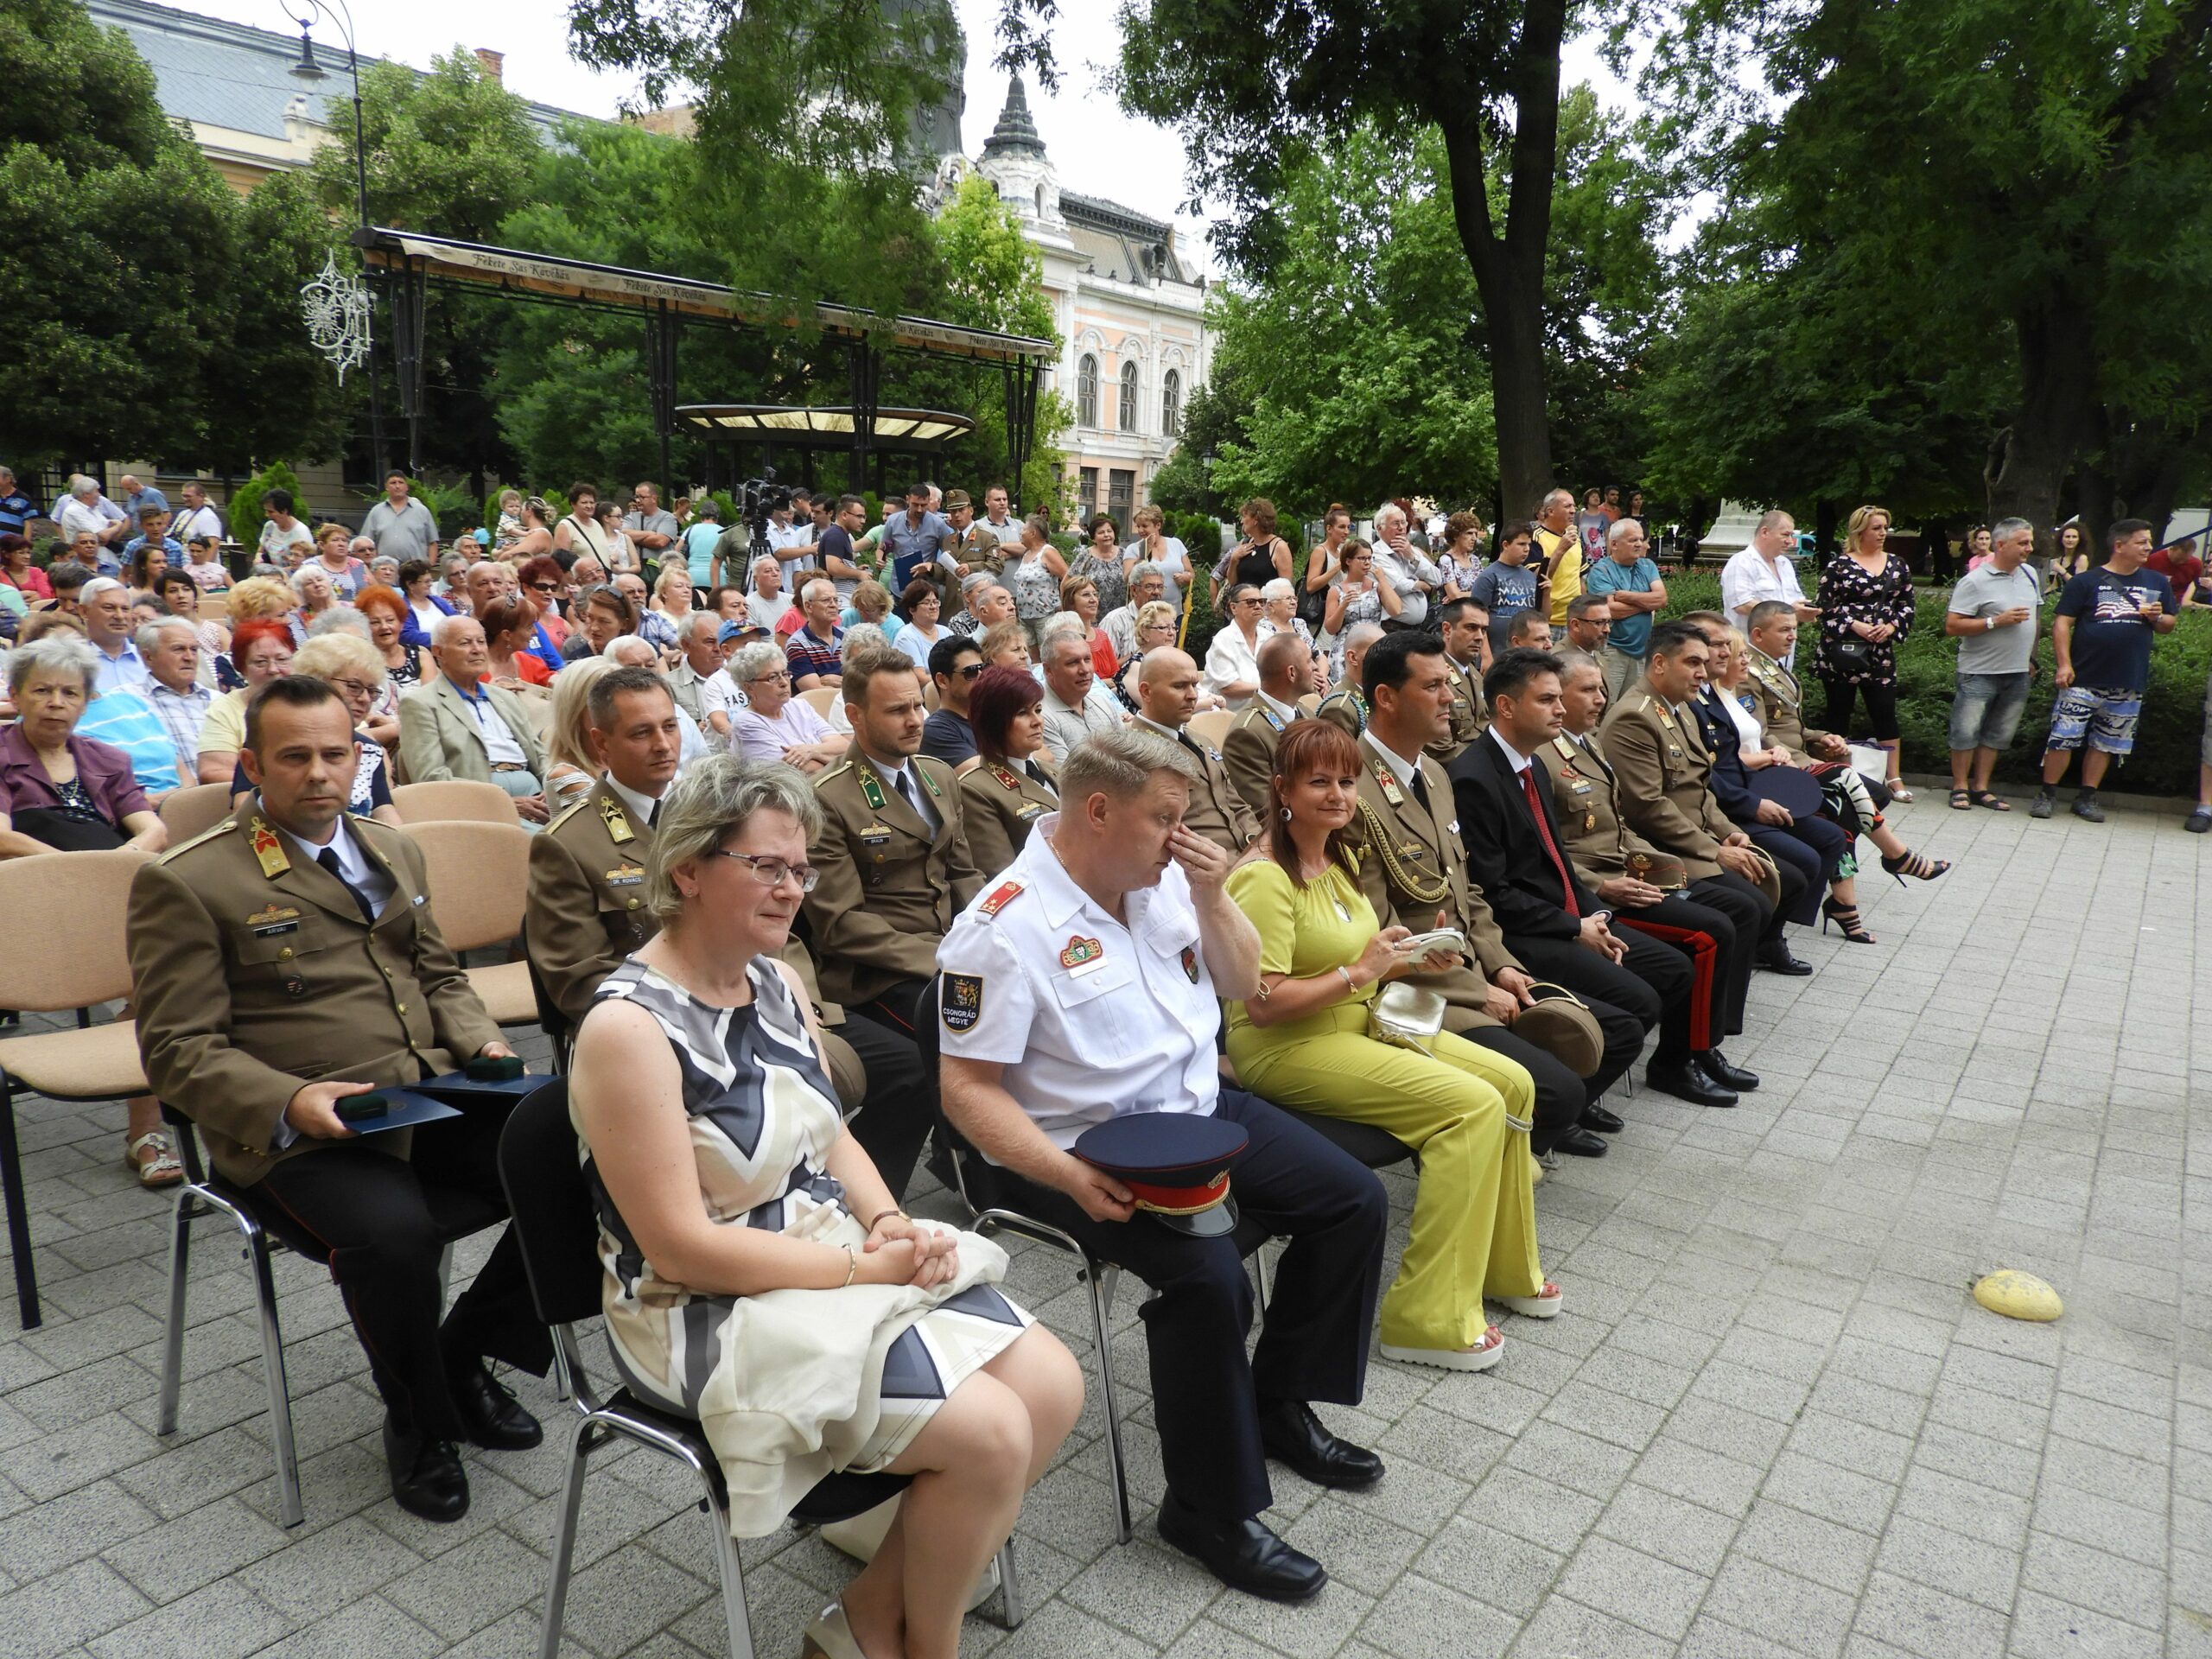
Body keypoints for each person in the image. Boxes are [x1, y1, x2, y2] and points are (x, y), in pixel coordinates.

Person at [569, 756, 1077, 1659]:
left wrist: (887, 1221)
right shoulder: (628, 1029)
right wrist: (865, 1263)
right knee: (994, 1434)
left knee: (1053, 1384)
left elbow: (829, 1132)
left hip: (823, 1255)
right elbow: (682, 1250)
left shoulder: (772, 979)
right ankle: (927, 1643)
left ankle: (870, 1619)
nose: (791, 888)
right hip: (702, 1308)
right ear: (688, 869)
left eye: (799, 869)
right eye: (766, 866)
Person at [938, 727, 1388, 1599]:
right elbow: (967, 1092)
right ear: (1098, 811)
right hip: (1081, 1149)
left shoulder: (1165, 883)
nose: (1184, 837)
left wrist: (1216, 898)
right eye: (1167, 819)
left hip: (1198, 1113)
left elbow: (1240, 983)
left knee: (1353, 1200)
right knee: (1208, 1278)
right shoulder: (1002, 927)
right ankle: (1205, 1508)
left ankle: (1276, 1403)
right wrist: (1067, 1176)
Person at [130, 675, 545, 1519]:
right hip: (296, 1133)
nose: (319, 773)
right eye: (294, 757)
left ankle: (460, 1353)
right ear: (251, 764)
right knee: (395, 1237)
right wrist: (290, 1101)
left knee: (579, 1149)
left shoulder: (391, 848)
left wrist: (484, 1042)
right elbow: (176, 1050)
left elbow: (438, 975)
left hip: (421, 1092)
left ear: (359, 756)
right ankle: (419, 1420)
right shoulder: (192, 879)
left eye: (335, 753)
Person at [1228, 717, 1556, 1367]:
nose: (1338, 794)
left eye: (1347, 781)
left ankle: (1502, 1266)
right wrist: (1365, 972)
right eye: (1318, 781)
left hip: (1359, 1019)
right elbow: (1262, 1005)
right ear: (1281, 789)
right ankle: (1425, 1317)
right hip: (1288, 1047)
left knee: (1515, 1083)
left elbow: (1367, 958)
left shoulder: (1340, 857)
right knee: (1473, 1106)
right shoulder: (1264, 876)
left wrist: (1412, 959)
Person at [1352, 632, 1623, 1156]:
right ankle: (1477, 1168)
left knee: (1603, 1029)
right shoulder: (1354, 786)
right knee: (1557, 1091)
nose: (1451, 698)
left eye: (1448, 685)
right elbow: (1380, 932)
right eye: (1433, 687)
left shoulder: (1431, 773)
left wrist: (1500, 965)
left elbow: (1466, 888)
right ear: (1386, 698)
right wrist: (1479, 991)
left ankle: (1499, 1161)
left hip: (1473, 967)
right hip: (1417, 989)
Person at [1456, 649, 1751, 1109]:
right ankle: (1565, 1106)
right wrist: (1577, 927)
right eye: (1547, 700)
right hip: (1522, 931)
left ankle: (1639, 1072)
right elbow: (1495, 893)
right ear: (1507, 707)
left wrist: (1594, 915)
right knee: (1640, 1005)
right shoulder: (1475, 777)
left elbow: (1555, 861)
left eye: (1559, 698)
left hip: (1565, 912)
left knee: (1674, 970)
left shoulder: (1528, 762)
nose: (1560, 709)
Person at [1539, 652, 1772, 1081]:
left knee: (1739, 907)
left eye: (1601, 688)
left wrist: (1658, 861)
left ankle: (1703, 1046)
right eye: (1587, 690)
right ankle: (1676, 1061)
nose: (1600, 699)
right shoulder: (1543, 757)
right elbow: (1549, 848)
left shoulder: (1584, 742)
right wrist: (1604, 884)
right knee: (1710, 932)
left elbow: (1618, 822)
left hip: (1631, 870)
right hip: (1597, 888)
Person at [802, 645, 982, 1190]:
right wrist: (945, 959)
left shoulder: (936, 776)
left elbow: (963, 873)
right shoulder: (828, 799)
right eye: (896, 711)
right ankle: (876, 1192)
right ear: (854, 715)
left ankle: (981, 1156)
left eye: (917, 706)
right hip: (879, 970)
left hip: (948, 948)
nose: (914, 721)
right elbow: (841, 923)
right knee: (950, 1038)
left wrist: (990, 938)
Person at [1603, 621, 1811, 972]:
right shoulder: (1634, 717)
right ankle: (1714, 1005)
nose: (1703, 673)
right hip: (1667, 846)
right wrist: (1715, 850)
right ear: (1659, 664)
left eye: (1703, 663)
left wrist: (1726, 829)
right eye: (1692, 663)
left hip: (1700, 835)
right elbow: (1648, 807)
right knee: (1749, 904)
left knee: (1790, 879)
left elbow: (1701, 784)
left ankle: (1737, 971)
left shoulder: (1679, 707)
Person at [2033, 517, 2177, 823]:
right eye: (2142, 542)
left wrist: (2157, 617)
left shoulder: (2156, 582)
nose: (2148, 547)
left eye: (2149, 542)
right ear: (2119, 545)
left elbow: (2168, 625)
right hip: (2083, 676)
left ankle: (2087, 797)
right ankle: (2047, 793)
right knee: (2063, 737)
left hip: (2128, 678)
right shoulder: (2087, 581)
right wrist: (2064, 664)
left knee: (2108, 741)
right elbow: (2062, 623)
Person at [398, 614, 550, 824]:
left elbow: (539, 752)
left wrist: (552, 786)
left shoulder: (505, 697)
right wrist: (500, 802)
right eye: (465, 643)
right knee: (548, 847)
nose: (477, 649)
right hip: (479, 801)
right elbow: (430, 777)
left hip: (536, 792)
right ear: (438, 652)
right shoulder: (420, 703)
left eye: (481, 641)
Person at [1813, 505, 1917, 798]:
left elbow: (1908, 604)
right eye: (1876, 528)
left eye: (1885, 527)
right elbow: (1824, 606)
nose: (1883, 533)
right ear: (1860, 530)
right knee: (1838, 713)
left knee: (1885, 712)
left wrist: (1892, 627)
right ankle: (1832, 773)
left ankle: (1893, 777)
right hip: (1842, 652)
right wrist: (1853, 625)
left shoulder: (1898, 565)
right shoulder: (1839, 566)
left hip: (1879, 654)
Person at [1938, 519, 2042, 810]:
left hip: (2018, 671)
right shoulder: (1974, 581)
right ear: (2000, 544)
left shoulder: (2031, 575)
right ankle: (1959, 786)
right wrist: (1995, 621)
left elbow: (2036, 619)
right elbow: (1952, 625)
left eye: (2030, 542)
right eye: (2023, 543)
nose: (2029, 548)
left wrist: (2032, 658)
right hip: (1979, 670)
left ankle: (1981, 788)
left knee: (1999, 733)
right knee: (1965, 730)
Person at [957, 665, 1058, 877]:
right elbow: (1002, 873)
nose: (1037, 721)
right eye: (1023, 713)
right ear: (993, 721)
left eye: (1038, 710)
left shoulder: (1053, 771)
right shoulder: (976, 789)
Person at [1224, 632, 1316, 818]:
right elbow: (1266, 813)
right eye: (1309, 661)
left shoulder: (1305, 714)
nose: (1315, 667)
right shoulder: (1248, 734)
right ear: (1292, 673)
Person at [197, 618, 296, 780]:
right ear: (242, 668)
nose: (273, 669)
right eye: (260, 662)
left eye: (282, 660)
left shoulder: (310, 700)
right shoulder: (224, 709)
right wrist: (279, 784)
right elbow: (212, 772)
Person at [727, 641, 848, 772]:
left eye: (785, 674)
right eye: (773, 677)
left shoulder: (800, 706)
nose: (784, 682)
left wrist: (811, 751)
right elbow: (806, 771)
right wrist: (828, 755)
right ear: (749, 687)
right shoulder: (747, 723)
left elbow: (845, 747)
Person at [1582, 516, 1668, 700]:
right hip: (1612, 650)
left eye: (1640, 539)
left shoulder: (1647, 566)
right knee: (1607, 704)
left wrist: (1627, 596)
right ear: (1614, 544)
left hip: (1642, 652)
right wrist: (1646, 605)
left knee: (1634, 704)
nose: (1639, 544)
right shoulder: (1601, 571)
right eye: (1633, 540)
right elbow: (1610, 611)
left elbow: (1661, 599)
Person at [1720, 510, 1820, 647]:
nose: (1790, 541)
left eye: (1791, 535)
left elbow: (1796, 602)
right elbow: (1742, 604)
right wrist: (1788, 612)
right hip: (1748, 652)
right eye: (1785, 535)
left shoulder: (1785, 564)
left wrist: (1808, 610)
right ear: (1765, 532)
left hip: (1783, 654)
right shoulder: (1741, 562)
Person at [539, 656, 619, 811]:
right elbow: (627, 826)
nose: (615, 710)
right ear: (574, 710)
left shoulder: (626, 761)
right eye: (604, 702)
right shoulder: (565, 776)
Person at [1038, 625, 1122, 762]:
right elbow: (1066, 777)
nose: (1084, 670)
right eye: (1073, 663)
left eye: (1087, 659)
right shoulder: (1041, 718)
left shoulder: (1103, 703)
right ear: (1048, 670)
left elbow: (1129, 756)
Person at [1468, 522, 1543, 658]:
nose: (1527, 549)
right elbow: (1476, 619)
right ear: (1506, 545)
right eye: (1521, 544)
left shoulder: (1530, 577)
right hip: (1497, 653)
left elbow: (1540, 616)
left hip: (1525, 654)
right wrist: (1485, 656)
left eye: (1528, 545)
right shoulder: (1489, 576)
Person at [1428, 595, 1488, 761]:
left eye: (1483, 630)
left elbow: (1491, 724)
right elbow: (1442, 749)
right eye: (1471, 628)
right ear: (1447, 630)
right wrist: (1489, 757)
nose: (1480, 637)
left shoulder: (1476, 676)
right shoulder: (1431, 676)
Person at [1370, 501, 1443, 631]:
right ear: (1380, 528)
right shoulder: (1376, 553)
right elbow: (1397, 586)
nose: (1401, 528)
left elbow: (1437, 579)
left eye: (1403, 522)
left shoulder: (1411, 551)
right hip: (1392, 627)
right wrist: (1421, 584)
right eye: (1395, 523)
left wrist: (1413, 558)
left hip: (1418, 627)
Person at [1211, 498, 1294, 605]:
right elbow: (1233, 583)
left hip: (1266, 612)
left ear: (1256, 519)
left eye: (1244, 516)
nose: (1241, 521)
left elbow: (1286, 588)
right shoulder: (1244, 543)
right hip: (1243, 612)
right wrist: (1234, 560)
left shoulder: (1279, 547)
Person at [881, 482, 957, 596]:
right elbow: (884, 547)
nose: (920, 509)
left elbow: (949, 554)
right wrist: (880, 558)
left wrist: (933, 568)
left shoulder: (938, 524)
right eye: (915, 504)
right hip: (899, 588)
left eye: (924, 505)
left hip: (927, 588)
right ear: (907, 500)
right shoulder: (892, 521)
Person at [79, 577, 151, 696]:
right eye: (109, 608)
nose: (120, 616)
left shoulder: (149, 658)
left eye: (125, 609)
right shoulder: (71, 661)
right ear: (84, 612)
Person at [665, 610, 730, 743]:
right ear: (686, 646)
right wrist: (691, 731)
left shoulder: (740, 678)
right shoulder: (667, 686)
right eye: (709, 642)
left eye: (721, 640)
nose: (718, 648)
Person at [1004, 513, 1066, 647]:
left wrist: (1063, 603)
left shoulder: (1048, 552)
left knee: (1048, 654)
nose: (1021, 533)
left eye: (1024, 530)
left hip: (1045, 615)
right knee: (1030, 657)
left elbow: (1067, 577)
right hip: (1025, 616)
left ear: (1033, 533)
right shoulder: (1027, 553)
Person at [1203, 582, 1267, 709]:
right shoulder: (1223, 640)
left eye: (1262, 601)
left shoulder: (1268, 637)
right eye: (1251, 602)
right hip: (1225, 713)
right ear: (1234, 608)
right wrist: (1271, 690)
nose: (1258, 606)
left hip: (1262, 711)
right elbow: (1230, 687)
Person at [921, 635, 984, 765]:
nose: (981, 676)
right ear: (942, 681)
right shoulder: (934, 731)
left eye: (983, 668)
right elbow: (984, 774)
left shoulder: (992, 715)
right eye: (970, 672)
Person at [1124, 504, 1192, 613]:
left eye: (1145, 526)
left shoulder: (1176, 544)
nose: (1140, 530)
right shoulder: (1133, 549)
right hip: (1146, 612)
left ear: (1158, 525)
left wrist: (1185, 577)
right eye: (1138, 526)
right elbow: (1127, 579)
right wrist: (1142, 556)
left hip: (1174, 612)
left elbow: (1191, 574)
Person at [785, 578, 846, 690]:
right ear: (808, 606)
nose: (834, 605)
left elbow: (864, 681)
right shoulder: (797, 645)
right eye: (826, 600)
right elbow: (815, 692)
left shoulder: (849, 637)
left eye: (836, 600)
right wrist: (850, 684)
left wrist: (843, 682)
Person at [1103, 563, 1167, 667]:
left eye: (1160, 587)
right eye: (1149, 587)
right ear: (1134, 590)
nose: (1156, 592)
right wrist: (1140, 652)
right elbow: (1106, 668)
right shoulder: (1114, 621)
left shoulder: (1166, 621)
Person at [1058, 572, 1116, 677]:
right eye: (1086, 595)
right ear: (1071, 601)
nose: (1093, 600)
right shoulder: (1065, 638)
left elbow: (1114, 673)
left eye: (1095, 594)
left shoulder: (1102, 635)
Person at [890, 578, 947, 667]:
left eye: (935, 602)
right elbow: (920, 677)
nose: (933, 607)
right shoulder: (906, 637)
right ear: (912, 609)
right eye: (926, 603)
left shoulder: (946, 632)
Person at [1433, 510, 1485, 601]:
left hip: (1477, 611)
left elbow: (1487, 590)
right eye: (1469, 533)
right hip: (1456, 613)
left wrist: (1462, 595)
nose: (1474, 538)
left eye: (1475, 534)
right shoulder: (1446, 560)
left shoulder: (1475, 560)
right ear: (1455, 536)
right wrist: (1478, 594)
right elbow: (1454, 595)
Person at [622, 482, 680, 564]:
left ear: (654, 498)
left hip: (660, 570)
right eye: (636, 497)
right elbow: (623, 536)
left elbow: (660, 541)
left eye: (642, 497)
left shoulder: (667, 518)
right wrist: (650, 533)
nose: (638, 501)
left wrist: (633, 539)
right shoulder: (631, 518)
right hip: (635, 571)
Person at [679, 498, 723, 589]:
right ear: (717, 516)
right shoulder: (724, 532)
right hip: (718, 578)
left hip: (693, 577)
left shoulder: (690, 530)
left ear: (700, 516)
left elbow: (676, 551)